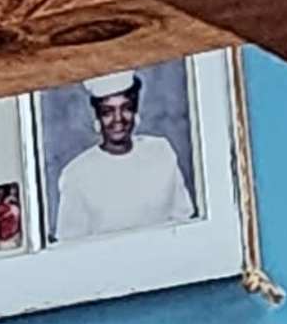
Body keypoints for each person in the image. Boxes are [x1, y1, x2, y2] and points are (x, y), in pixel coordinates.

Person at [53, 71, 196, 243]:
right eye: (108, 112)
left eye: (126, 108)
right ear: (97, 115)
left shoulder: (160, 152)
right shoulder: (76, 174)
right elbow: (71, 246)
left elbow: (184, 219)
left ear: (135, 110)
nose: (118, 119)